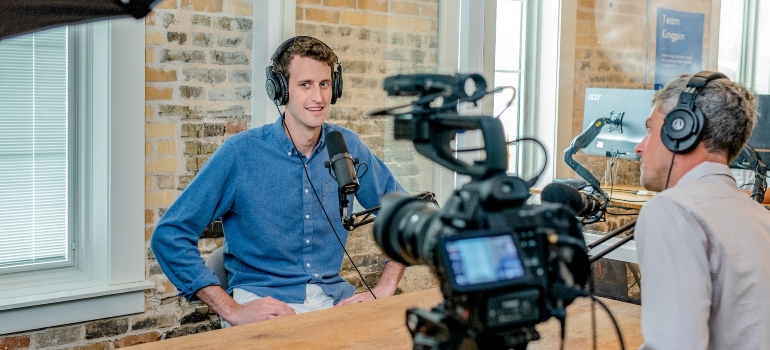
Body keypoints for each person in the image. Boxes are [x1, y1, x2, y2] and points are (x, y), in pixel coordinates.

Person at [151, 36, 407, 327]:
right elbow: (168, 235)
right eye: (305, 85)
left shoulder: (347, 147)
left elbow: (405, 216)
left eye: (324, 84)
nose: (318, 98)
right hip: (262, 306)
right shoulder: (240, 153)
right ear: (281, 90)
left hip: (332, 302)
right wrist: (232, 310)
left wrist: (385, 287)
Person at [633, 71, 770, 349]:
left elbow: (675, 345)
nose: (639, 148)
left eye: (650, 129)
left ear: (681, 128)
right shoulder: (762, 218)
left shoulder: (672, 211)